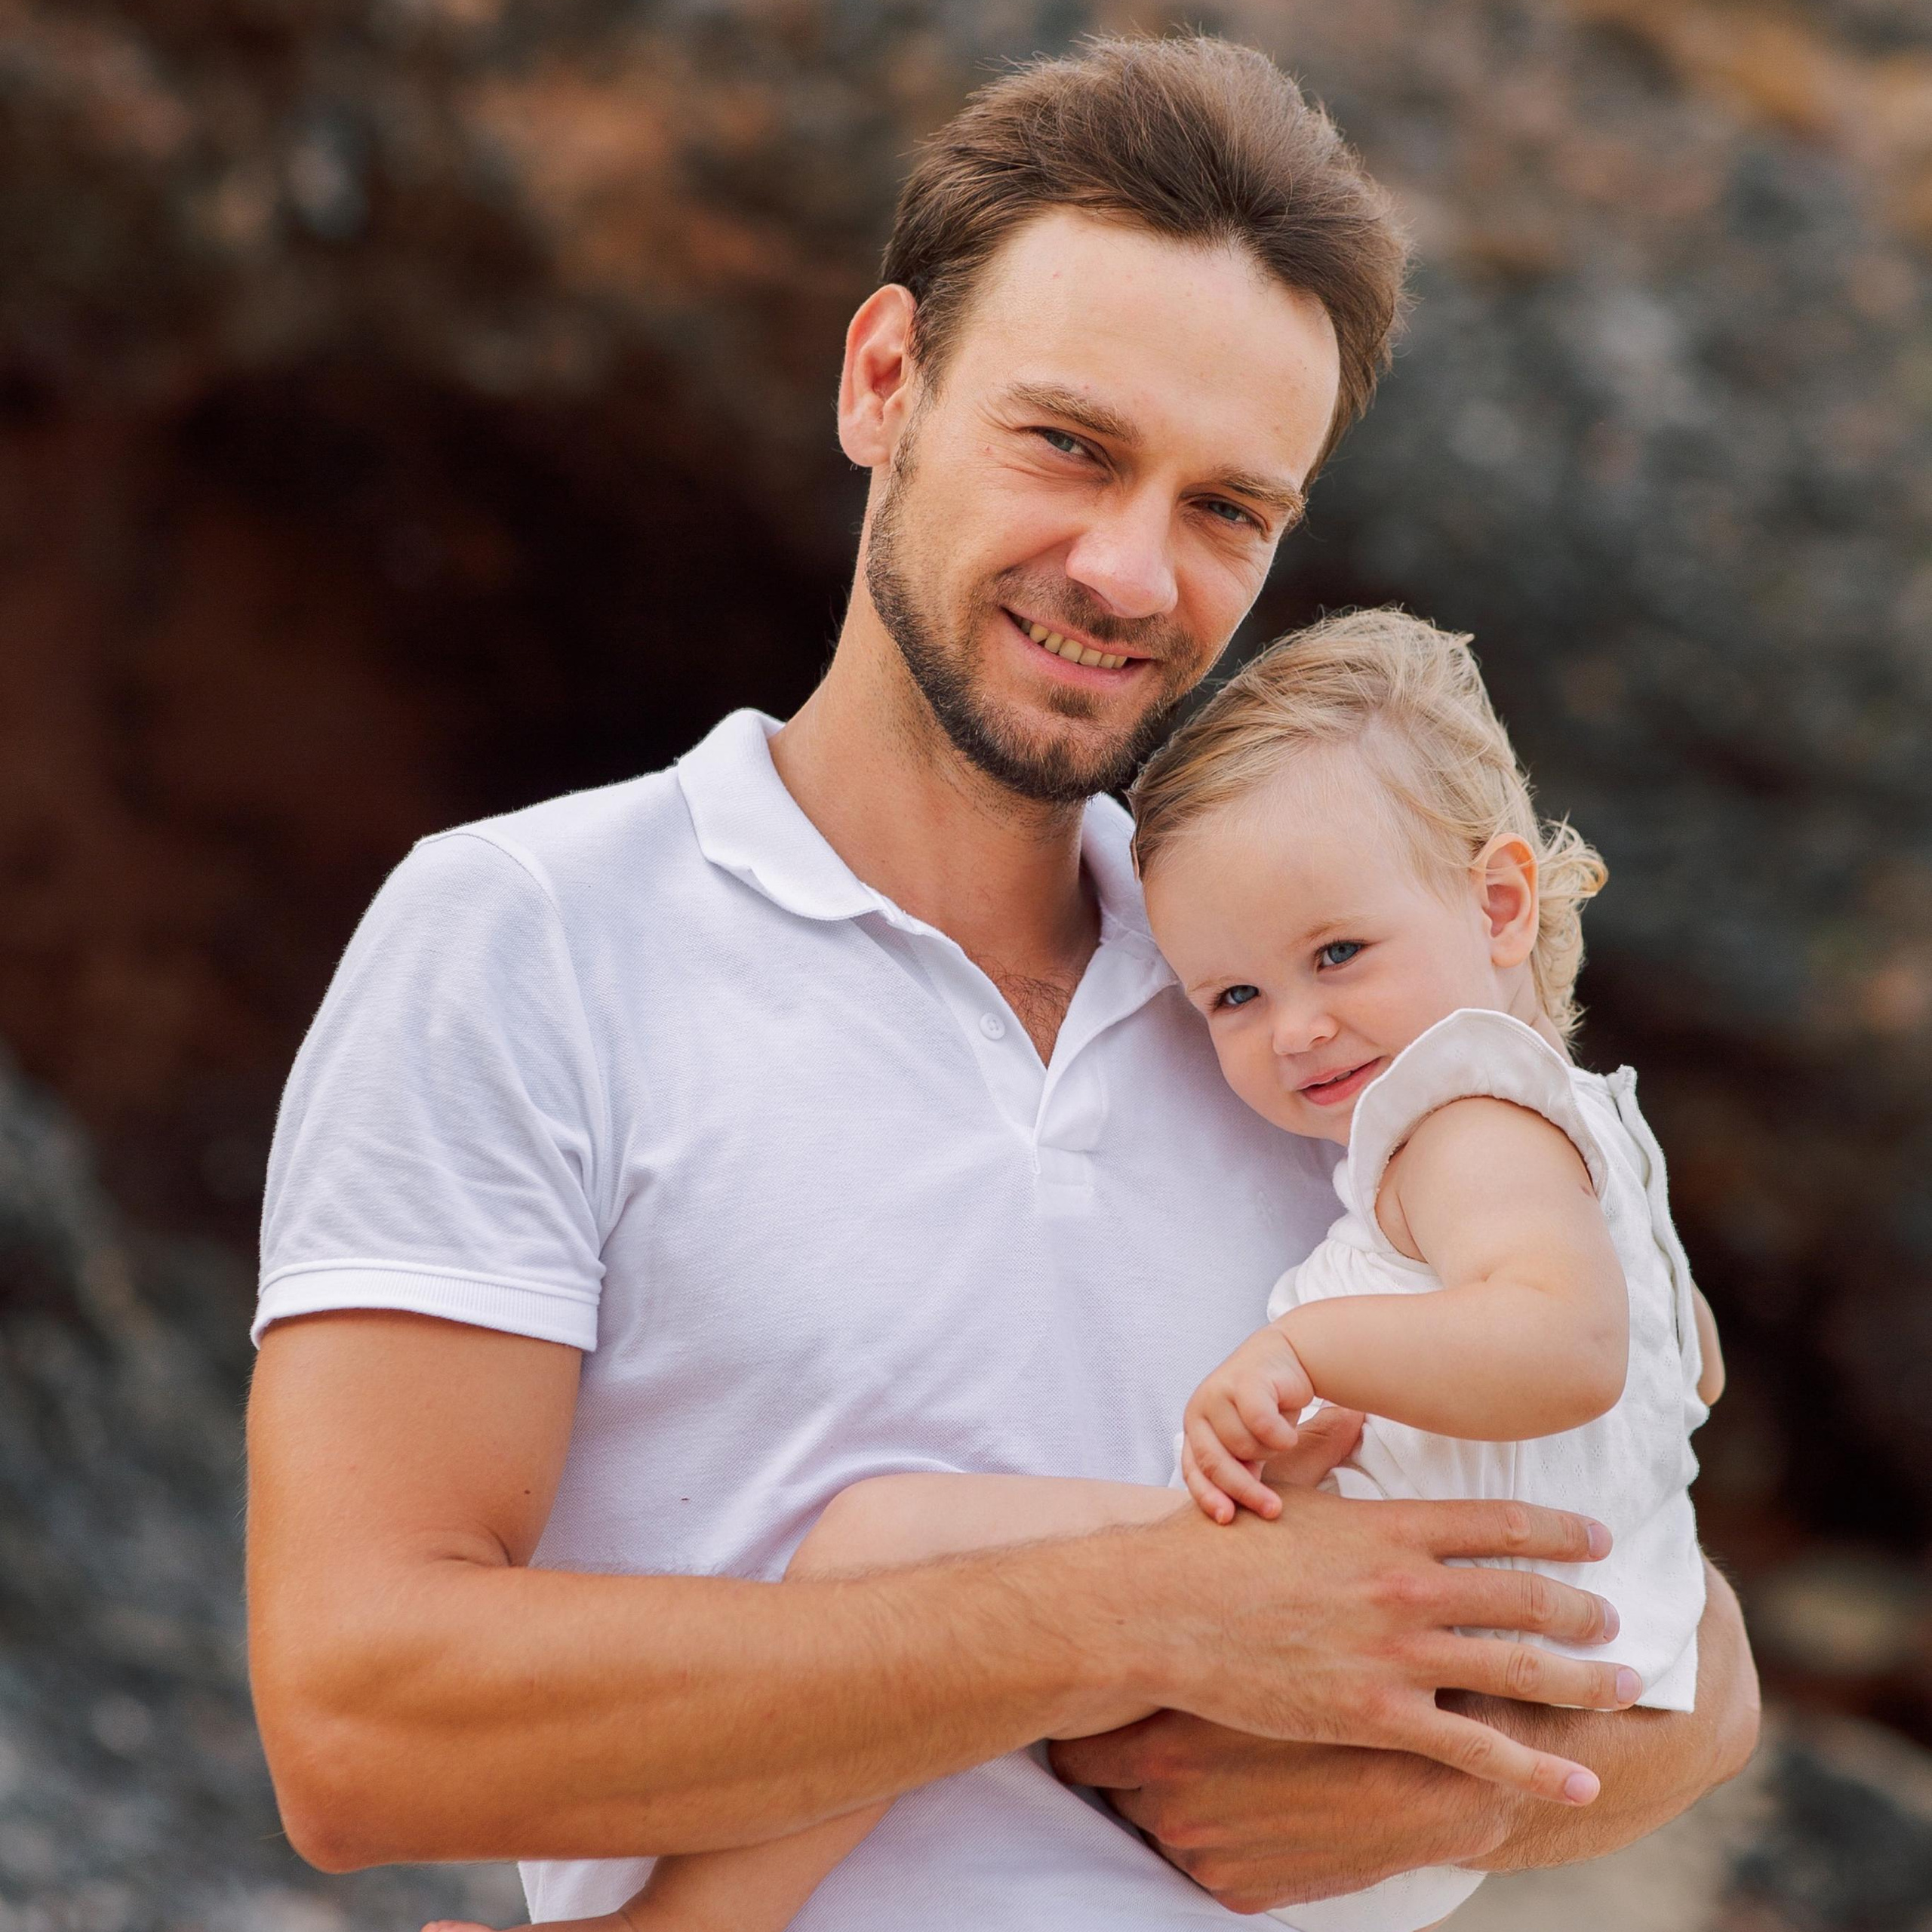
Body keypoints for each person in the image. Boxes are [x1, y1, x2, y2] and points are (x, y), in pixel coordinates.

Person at [245, 34, 1760, 1930]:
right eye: (1069, 443)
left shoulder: (1309, 1005)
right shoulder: (522, 935)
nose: (1126, 568)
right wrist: (1138, 1620)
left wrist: (1426, 1799)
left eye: (1228, 508)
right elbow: (354, 1721)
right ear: (885, 378)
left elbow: (1684, 1628)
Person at [421, 611, 1730, 1932]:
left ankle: (680, 1925)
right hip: (1489, 1715)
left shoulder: (1458, 1117)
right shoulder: (1593, 1143)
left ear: (1499, 903)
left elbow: (1566, 1347)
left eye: (1338, 954)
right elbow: (1671, 1372)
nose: (1299, 1030)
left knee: (890, 1543)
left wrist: (1307, 1351)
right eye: (1232, 998)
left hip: (1402, 1700)